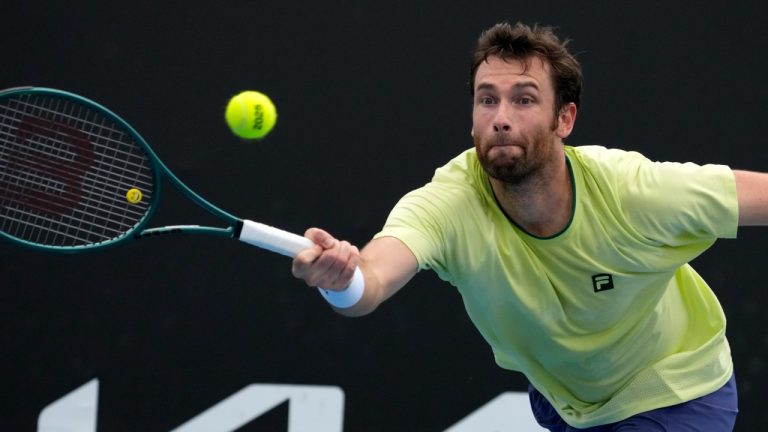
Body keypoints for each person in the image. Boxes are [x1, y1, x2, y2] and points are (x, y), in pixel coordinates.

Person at [292, 22, 766, 431]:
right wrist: (341, 282)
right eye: (487, 100)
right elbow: (371, 279)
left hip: (675, 390)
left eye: (523, 100)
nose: (501, 118)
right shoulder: (448, 202)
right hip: (567, 401)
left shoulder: (634, 191)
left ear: (564, 118)